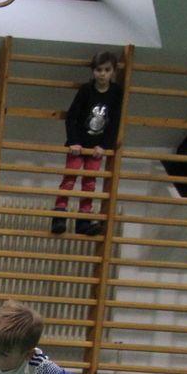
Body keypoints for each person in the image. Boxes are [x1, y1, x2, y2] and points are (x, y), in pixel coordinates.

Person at [52, 51, 122, 237]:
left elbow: (114, 122)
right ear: (93, 71)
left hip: (96, 147)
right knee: (69, 178)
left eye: (107, 70)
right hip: (79, 145)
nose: (102, 74)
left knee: (90, 183)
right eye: (98, 70)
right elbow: (72, 117)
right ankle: (59, 216)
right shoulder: (86, 90)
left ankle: (84, 220)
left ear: (113, 72)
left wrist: (104, 145)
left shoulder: (116, 92)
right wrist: (74, 141)